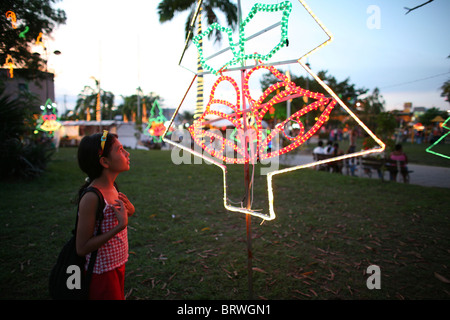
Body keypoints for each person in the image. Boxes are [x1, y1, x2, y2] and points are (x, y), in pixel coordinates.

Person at [76, 130, 135, 300]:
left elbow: (116, 218)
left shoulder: (113, 187)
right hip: (101, 272)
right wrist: (119, 227)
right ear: (105, 162)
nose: (127, 153)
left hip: (117, 263)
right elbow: (82, 247)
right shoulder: (92, 197)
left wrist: (130, 210)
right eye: (120, 150)